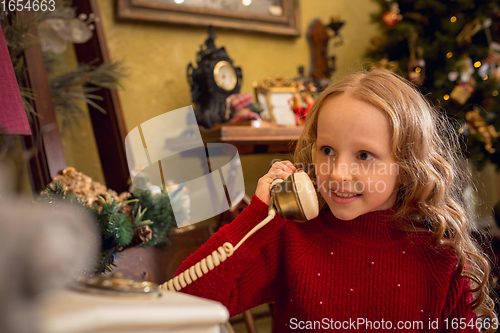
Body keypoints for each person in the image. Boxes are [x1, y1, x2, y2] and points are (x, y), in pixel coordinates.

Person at [162, 68, 497, 332]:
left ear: (407, 167)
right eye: (327, 151)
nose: (337, 173)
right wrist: (256, 220)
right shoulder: (291, 237)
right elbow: (180, 309)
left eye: (364, 155)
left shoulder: (440, 259)